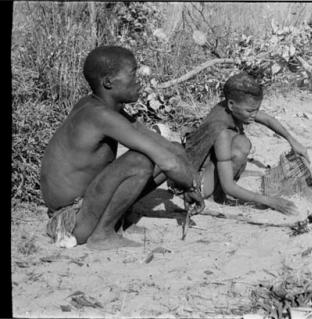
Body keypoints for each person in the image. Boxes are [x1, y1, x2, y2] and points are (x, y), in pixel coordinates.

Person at [40, 46, 204, 250]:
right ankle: (102, 234)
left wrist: (187, 175)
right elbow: (167, 162)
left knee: (171, 149)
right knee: (139, 161)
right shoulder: (100, 115)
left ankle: (115, 222)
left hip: (85, 206)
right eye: (133, 73)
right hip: (71, 221)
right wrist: (190, 187)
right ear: (108, 82)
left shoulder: (100, 107)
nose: (139, 80)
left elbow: (168, 149)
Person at [184, 72, 309, 216]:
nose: (254, 115)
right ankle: (215, 196)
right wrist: (270, 201)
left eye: (256, 109)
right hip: (197, 184)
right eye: (250, 111)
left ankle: (219, 190)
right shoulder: (222, 131)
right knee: (241, 146)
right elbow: (229, 187)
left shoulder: (231, 106)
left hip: (210, 168)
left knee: (241, 143)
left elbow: (267, 119)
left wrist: (292, 141)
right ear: (231, 104)